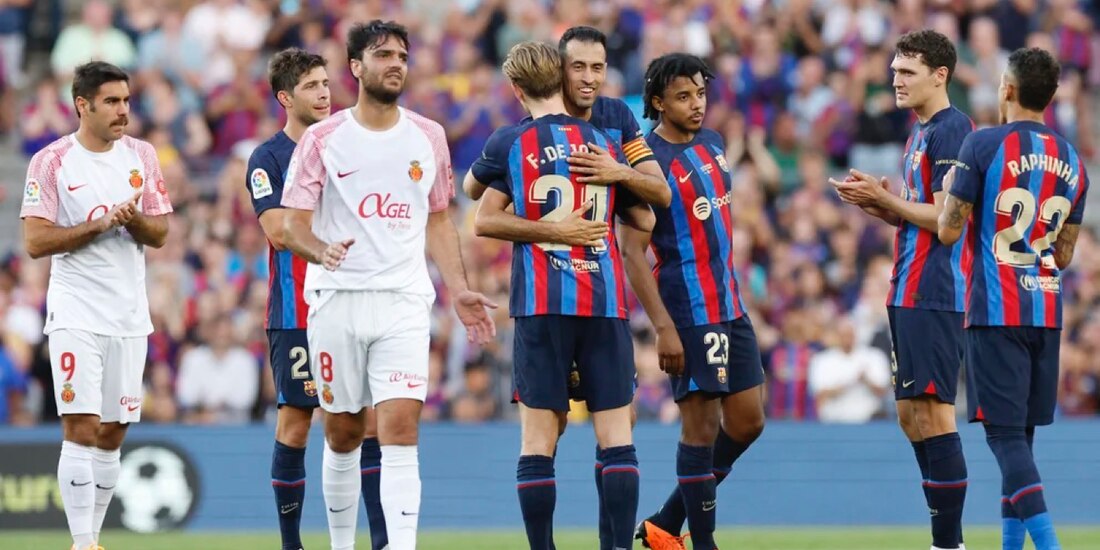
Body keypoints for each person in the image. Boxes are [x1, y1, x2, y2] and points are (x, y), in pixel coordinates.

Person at [279, 20, 496, 550]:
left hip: (403, 300)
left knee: (400, 430)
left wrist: (458, 288)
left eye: (402, 54)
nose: (396, 63)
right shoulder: (322, 139)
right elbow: (290, 222)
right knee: (344, 432)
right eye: (382, 54)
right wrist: (319, 250)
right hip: (336, 301)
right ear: (355, 67)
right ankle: (340, 544)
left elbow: (439, 219)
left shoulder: (428, 136)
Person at [462, 27, 669, 549]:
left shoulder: (511, 141)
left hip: (540, 305)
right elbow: (645, 213)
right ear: (560, 75)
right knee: (616, 437)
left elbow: (481, 218)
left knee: (537, 438)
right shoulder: (603, 143)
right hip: (603, 302)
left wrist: (549, 229)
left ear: (515, 89)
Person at [937, 46, 1089, 550]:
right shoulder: (1073, 160)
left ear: (1007, 88)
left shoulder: (981, 147)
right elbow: (1064, 254)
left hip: (996, 309)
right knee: (1020, 439)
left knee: (1003, 438)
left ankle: (1049, 546)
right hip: (1045, 310)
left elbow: (948, 231)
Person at [20, 61, 172, 550]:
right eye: (111, 101)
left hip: (130, 314)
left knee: (114, 432)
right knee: (81, 425)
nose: (123, 110)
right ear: (82, 105)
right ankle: (83, 543)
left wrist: (132, 222)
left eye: (126, 100)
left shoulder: (143, 156)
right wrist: (99, 224)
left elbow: (161, 232)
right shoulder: (51, 161)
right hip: (76, 311)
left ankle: (94, 536)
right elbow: (36, 241)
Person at [832, 30, 974, 550]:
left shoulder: (951, 130)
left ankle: (948, 542)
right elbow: (919, 213)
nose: (896, 79)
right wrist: (877, 202)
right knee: (910, 415)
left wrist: (886, 201)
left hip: (934, 289)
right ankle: (946, 533)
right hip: (906, 287)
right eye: (894, 70)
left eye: (907, 71)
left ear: (940, 75)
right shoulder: (920, 132)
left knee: (934, 412)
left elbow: (946, 221)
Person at [623, 53, 766, 550]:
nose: (696, 104)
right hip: (688, 309)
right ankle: (700, 543)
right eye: (683, 97)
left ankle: (665, 520)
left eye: (700, 93)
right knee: (701, 429)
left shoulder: (714, 143)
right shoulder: (644, 161)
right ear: (658, 102)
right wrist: (662, 326)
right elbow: (632, 253)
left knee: (748, 421)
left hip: (730, 302)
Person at [245, 48, 386, 550]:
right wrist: (324, 247)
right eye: (311, 85)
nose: (325, 92)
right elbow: (278, 230)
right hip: (297, 310)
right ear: (285, 97)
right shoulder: (267, 159)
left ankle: (381, 539)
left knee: (365, 420)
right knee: (297, 419)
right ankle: (291, 542)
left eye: (327, 83)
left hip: (355, 303)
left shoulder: (351, 145)